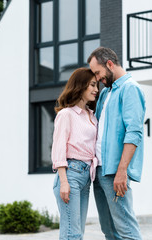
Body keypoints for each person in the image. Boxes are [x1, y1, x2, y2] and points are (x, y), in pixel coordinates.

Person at [87, 47, 146, 240]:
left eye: (98, 73)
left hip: (114, 172)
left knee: (126, 231)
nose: (97, 79)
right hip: (99, 171)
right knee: (109, 231)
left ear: (110, 64)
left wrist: (122, 171)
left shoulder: (131, 89)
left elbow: (134, 133)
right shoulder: (105, 93)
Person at [52, 68, 99, 240]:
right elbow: (58, 149)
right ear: (80, 86)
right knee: (72, 233)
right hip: (70, 175)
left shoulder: (92, 115)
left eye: (97, 85)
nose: (96, 89)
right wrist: (64, 181)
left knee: (78, 232)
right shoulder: (66, 114)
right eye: (92, 85)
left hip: (86, 176)